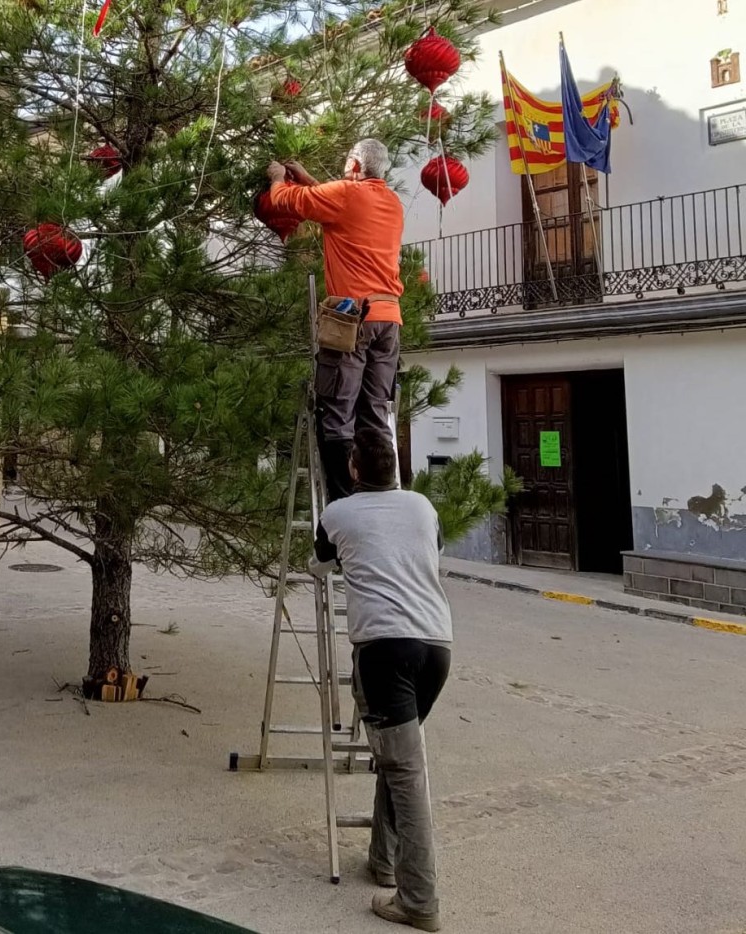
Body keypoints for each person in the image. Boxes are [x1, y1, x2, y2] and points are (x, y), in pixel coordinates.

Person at [309, 427, 452, 933]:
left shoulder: (338, 513)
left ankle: (419, 901)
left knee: (407, 774)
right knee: (400, 760)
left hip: (385, 652)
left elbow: (319, 563)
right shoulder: (422, 507)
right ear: (397, 467)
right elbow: (434, 552)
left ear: (353, 470)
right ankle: (383, 861)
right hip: (437, 648)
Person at [266, 139, 405, 502]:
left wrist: (278, 178)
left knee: (338, 415)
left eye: (347, 162)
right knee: (375, 415)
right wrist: (310, 179)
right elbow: (340, 205)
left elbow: (285, 201)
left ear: (357, 166)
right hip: (389, 320)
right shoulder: (391, 202)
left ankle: (345, 505)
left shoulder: (345, 195)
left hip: (351, 321)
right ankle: (382, 495)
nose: (344, 168)